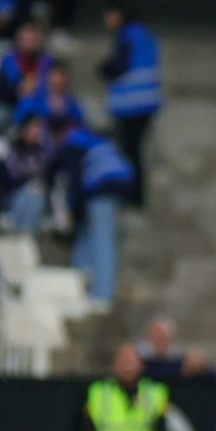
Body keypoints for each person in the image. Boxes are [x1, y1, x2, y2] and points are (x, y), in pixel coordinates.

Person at [47, 120, 135, 303]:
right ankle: (84, 282)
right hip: (122, 183)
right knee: (91, 235)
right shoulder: (91, 139)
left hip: (103, 187)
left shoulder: (71, 142)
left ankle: (102, 294)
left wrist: (75, 209)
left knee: (101, 240)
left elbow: (75, 178)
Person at [99, 0, 160, 207]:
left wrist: (104, 68)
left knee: (129, 152)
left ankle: (132, 196)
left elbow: (118, 66)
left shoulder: (126, 35)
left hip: (132, 105)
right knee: (135, 152)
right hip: (147, 103)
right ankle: (136, 195)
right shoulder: (142, 33)